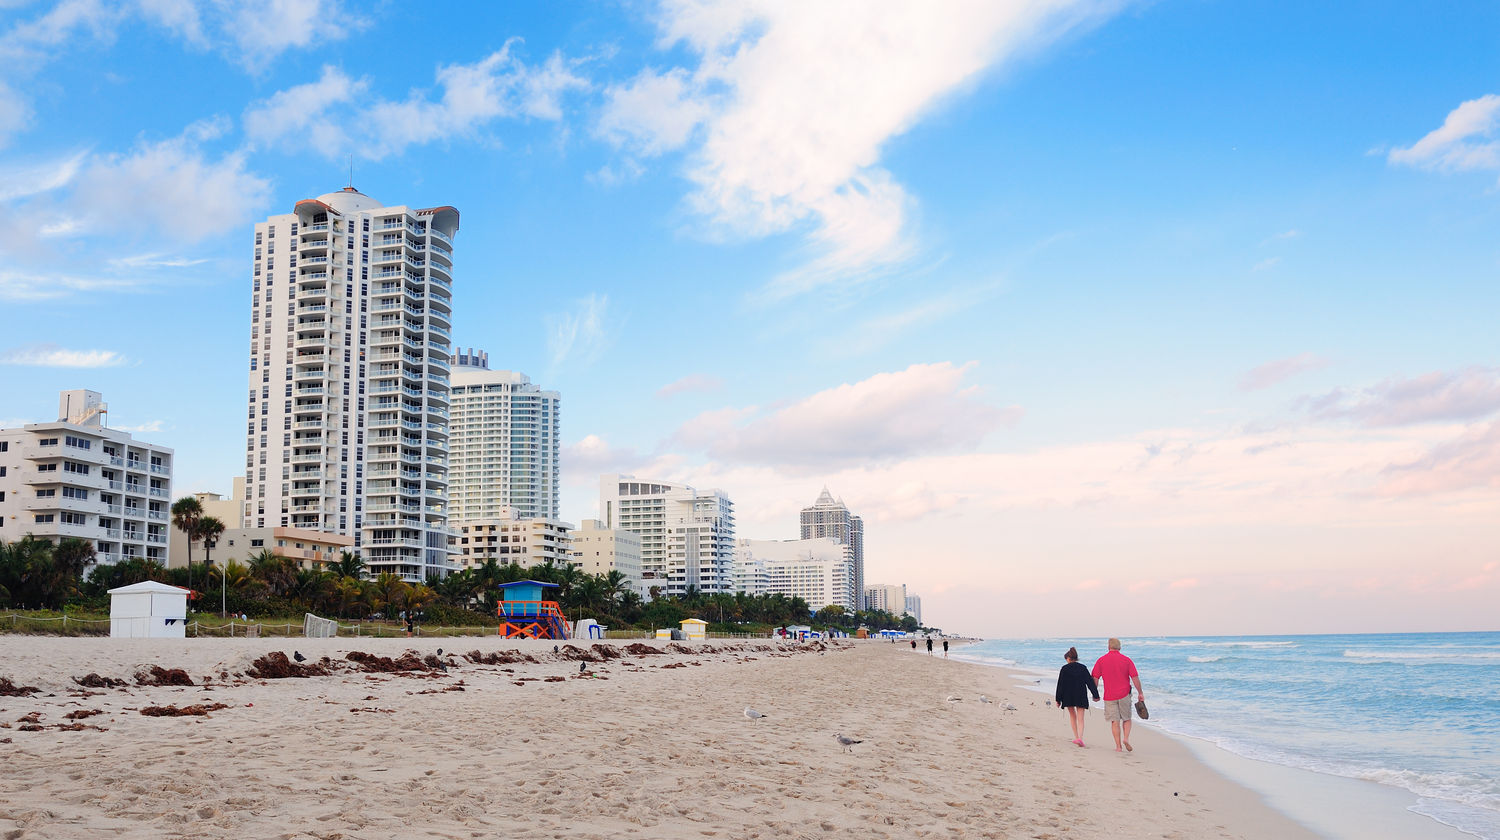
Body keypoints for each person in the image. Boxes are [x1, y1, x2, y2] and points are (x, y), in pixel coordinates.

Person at [1091, 638, 1145, 752]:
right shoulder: (1127, 660)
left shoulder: (1101, 660)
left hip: (1109, 695)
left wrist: (1095, 694)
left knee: (1115, 721)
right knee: (1127, 718)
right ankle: (1126, 738)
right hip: (1124, 694)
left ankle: (1118, 746)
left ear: (1108, 647)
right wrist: (1140, 693)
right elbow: (1135, 678)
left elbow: (1095, 678)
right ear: (1119, 647)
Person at [1055, 647, 1099, 747]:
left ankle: (1076, 737)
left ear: (1068, 658)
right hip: (1081, 695)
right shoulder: (1083, 668)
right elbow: (1090, 682)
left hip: (1068, 695)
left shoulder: (1064, 669)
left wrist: (1058, 699)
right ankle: (1080, 738)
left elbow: (1060, 685)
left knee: (1072, 716)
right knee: (1081, 718)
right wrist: (1095, 695)